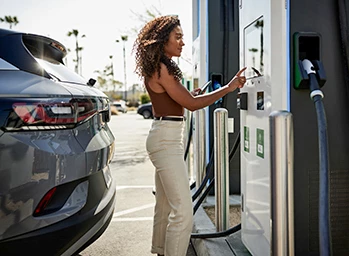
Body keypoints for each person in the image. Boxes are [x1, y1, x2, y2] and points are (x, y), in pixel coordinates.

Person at [133, 15, 246, 256]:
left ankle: (161, 251)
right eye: (178, 37)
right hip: (166, 141)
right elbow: (192, 105)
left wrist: (189, 94)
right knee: (183, 210)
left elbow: (178, 100)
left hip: (164, 135)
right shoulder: (163, 68)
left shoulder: (157, 67)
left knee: (164, 205)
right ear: (163, 40)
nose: (182, 42)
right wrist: (229, 87)